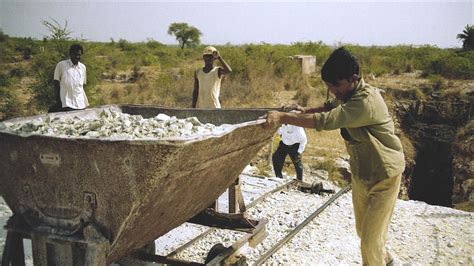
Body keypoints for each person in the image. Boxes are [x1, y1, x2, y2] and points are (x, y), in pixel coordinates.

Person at [262, 47, 405, 265]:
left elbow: (328, 119)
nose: (334, 92)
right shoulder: (349, 93)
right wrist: (304, 110)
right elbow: (330, 105)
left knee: (369, 240)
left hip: (384, 174)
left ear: (353, 78)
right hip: (363, 171)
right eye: (329, 87)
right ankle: (387, 260)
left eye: (336, 86)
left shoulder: (364, 102)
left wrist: (283, 117)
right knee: (363, 231)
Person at [49, 44, 88, 112]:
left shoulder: (82, 68)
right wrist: (59, 101)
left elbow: (81, 86)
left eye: (79, 55)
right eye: (75, 54)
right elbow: (56, 83)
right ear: (70, 54)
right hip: (67, 103)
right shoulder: (61, 65)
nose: (77, 57)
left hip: (81, 103)